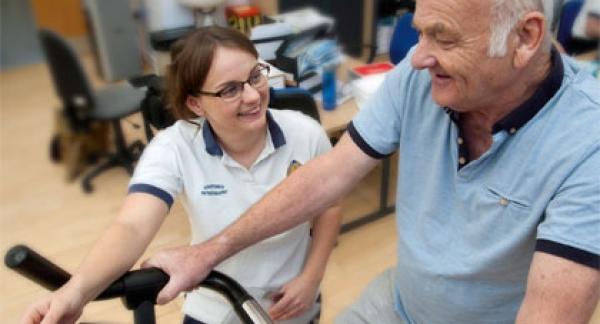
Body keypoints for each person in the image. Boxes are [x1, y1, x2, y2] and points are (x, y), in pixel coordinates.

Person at [115, 0, 600, 323]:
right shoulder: (420, 82)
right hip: (399, 304)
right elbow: (328, 177)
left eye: (444, 38)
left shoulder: (587, 142)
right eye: (420, 32)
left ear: (524, 38)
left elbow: (551, 312)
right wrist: (205, 253)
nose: (417, 57)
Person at [22, 26, 342, 324]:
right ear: (196, 104)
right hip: (215, 300)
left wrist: (311, 277)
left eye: (256, 76)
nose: (252, 96)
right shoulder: (174, 147)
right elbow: (132, 226)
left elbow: (329, 205)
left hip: (289, 302)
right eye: (229, 90)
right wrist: (75, 292)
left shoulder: (306, 133)